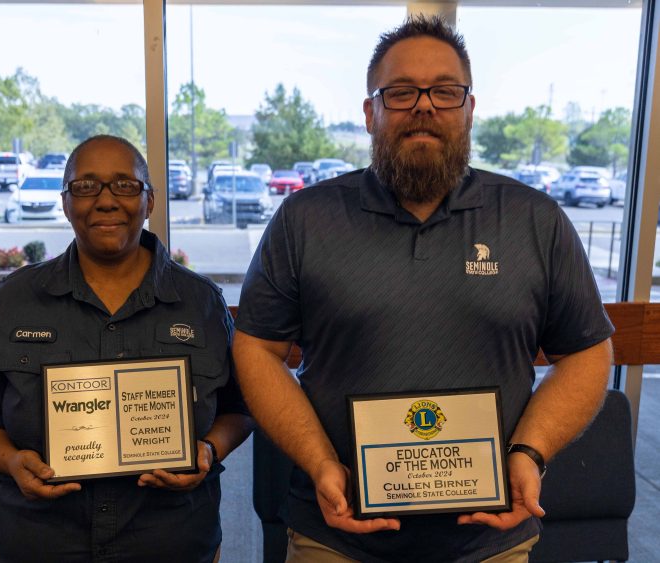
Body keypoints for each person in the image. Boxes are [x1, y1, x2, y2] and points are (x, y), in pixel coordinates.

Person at [232, 15, 613, 563]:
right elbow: (256, 348)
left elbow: (587, 352)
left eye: (445, 91)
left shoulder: (535, 220)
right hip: (335, 536)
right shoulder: (304, 219)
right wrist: (319, 461)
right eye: (402, 92)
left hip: (490, 539)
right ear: (371, 112)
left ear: (469, 108)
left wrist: (530, 452)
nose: (425, 106)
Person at [0, 134, 253, 563]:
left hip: (170, 542)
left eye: (125, 185)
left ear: (150, 200)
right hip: (38, 542)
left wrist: (209, 450)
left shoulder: (202, 302)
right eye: (86, 186)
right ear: (66, 202)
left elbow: (240, 407)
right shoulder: (14, 299)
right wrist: (12, 461)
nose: (106, 201)